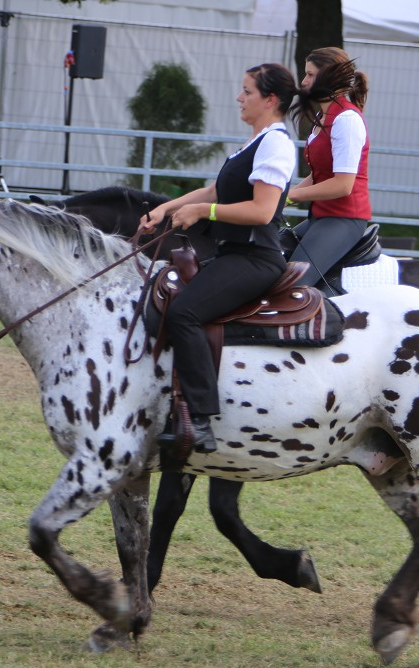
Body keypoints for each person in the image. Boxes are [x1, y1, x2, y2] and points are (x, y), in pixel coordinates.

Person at [139, 63, 298, 453]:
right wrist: (165, 209)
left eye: (247, 91)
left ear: (270, 99)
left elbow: (262, 212)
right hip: (234, 252)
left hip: (255, 258)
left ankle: (201, 418)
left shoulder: (276, 144)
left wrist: (202, 214)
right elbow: (214, 191)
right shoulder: (254, 142)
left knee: (184, 313)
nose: (239, 98)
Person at [285, 47, 370, 288]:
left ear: (329, 78)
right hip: (322, 217)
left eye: (310, 75)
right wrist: (283, 199)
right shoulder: (322, 119)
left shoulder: (346, 120)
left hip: (344, 219)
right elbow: (319, 176)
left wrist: (289, 195)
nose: (303, 82)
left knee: (291, 286)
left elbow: (343, 185)